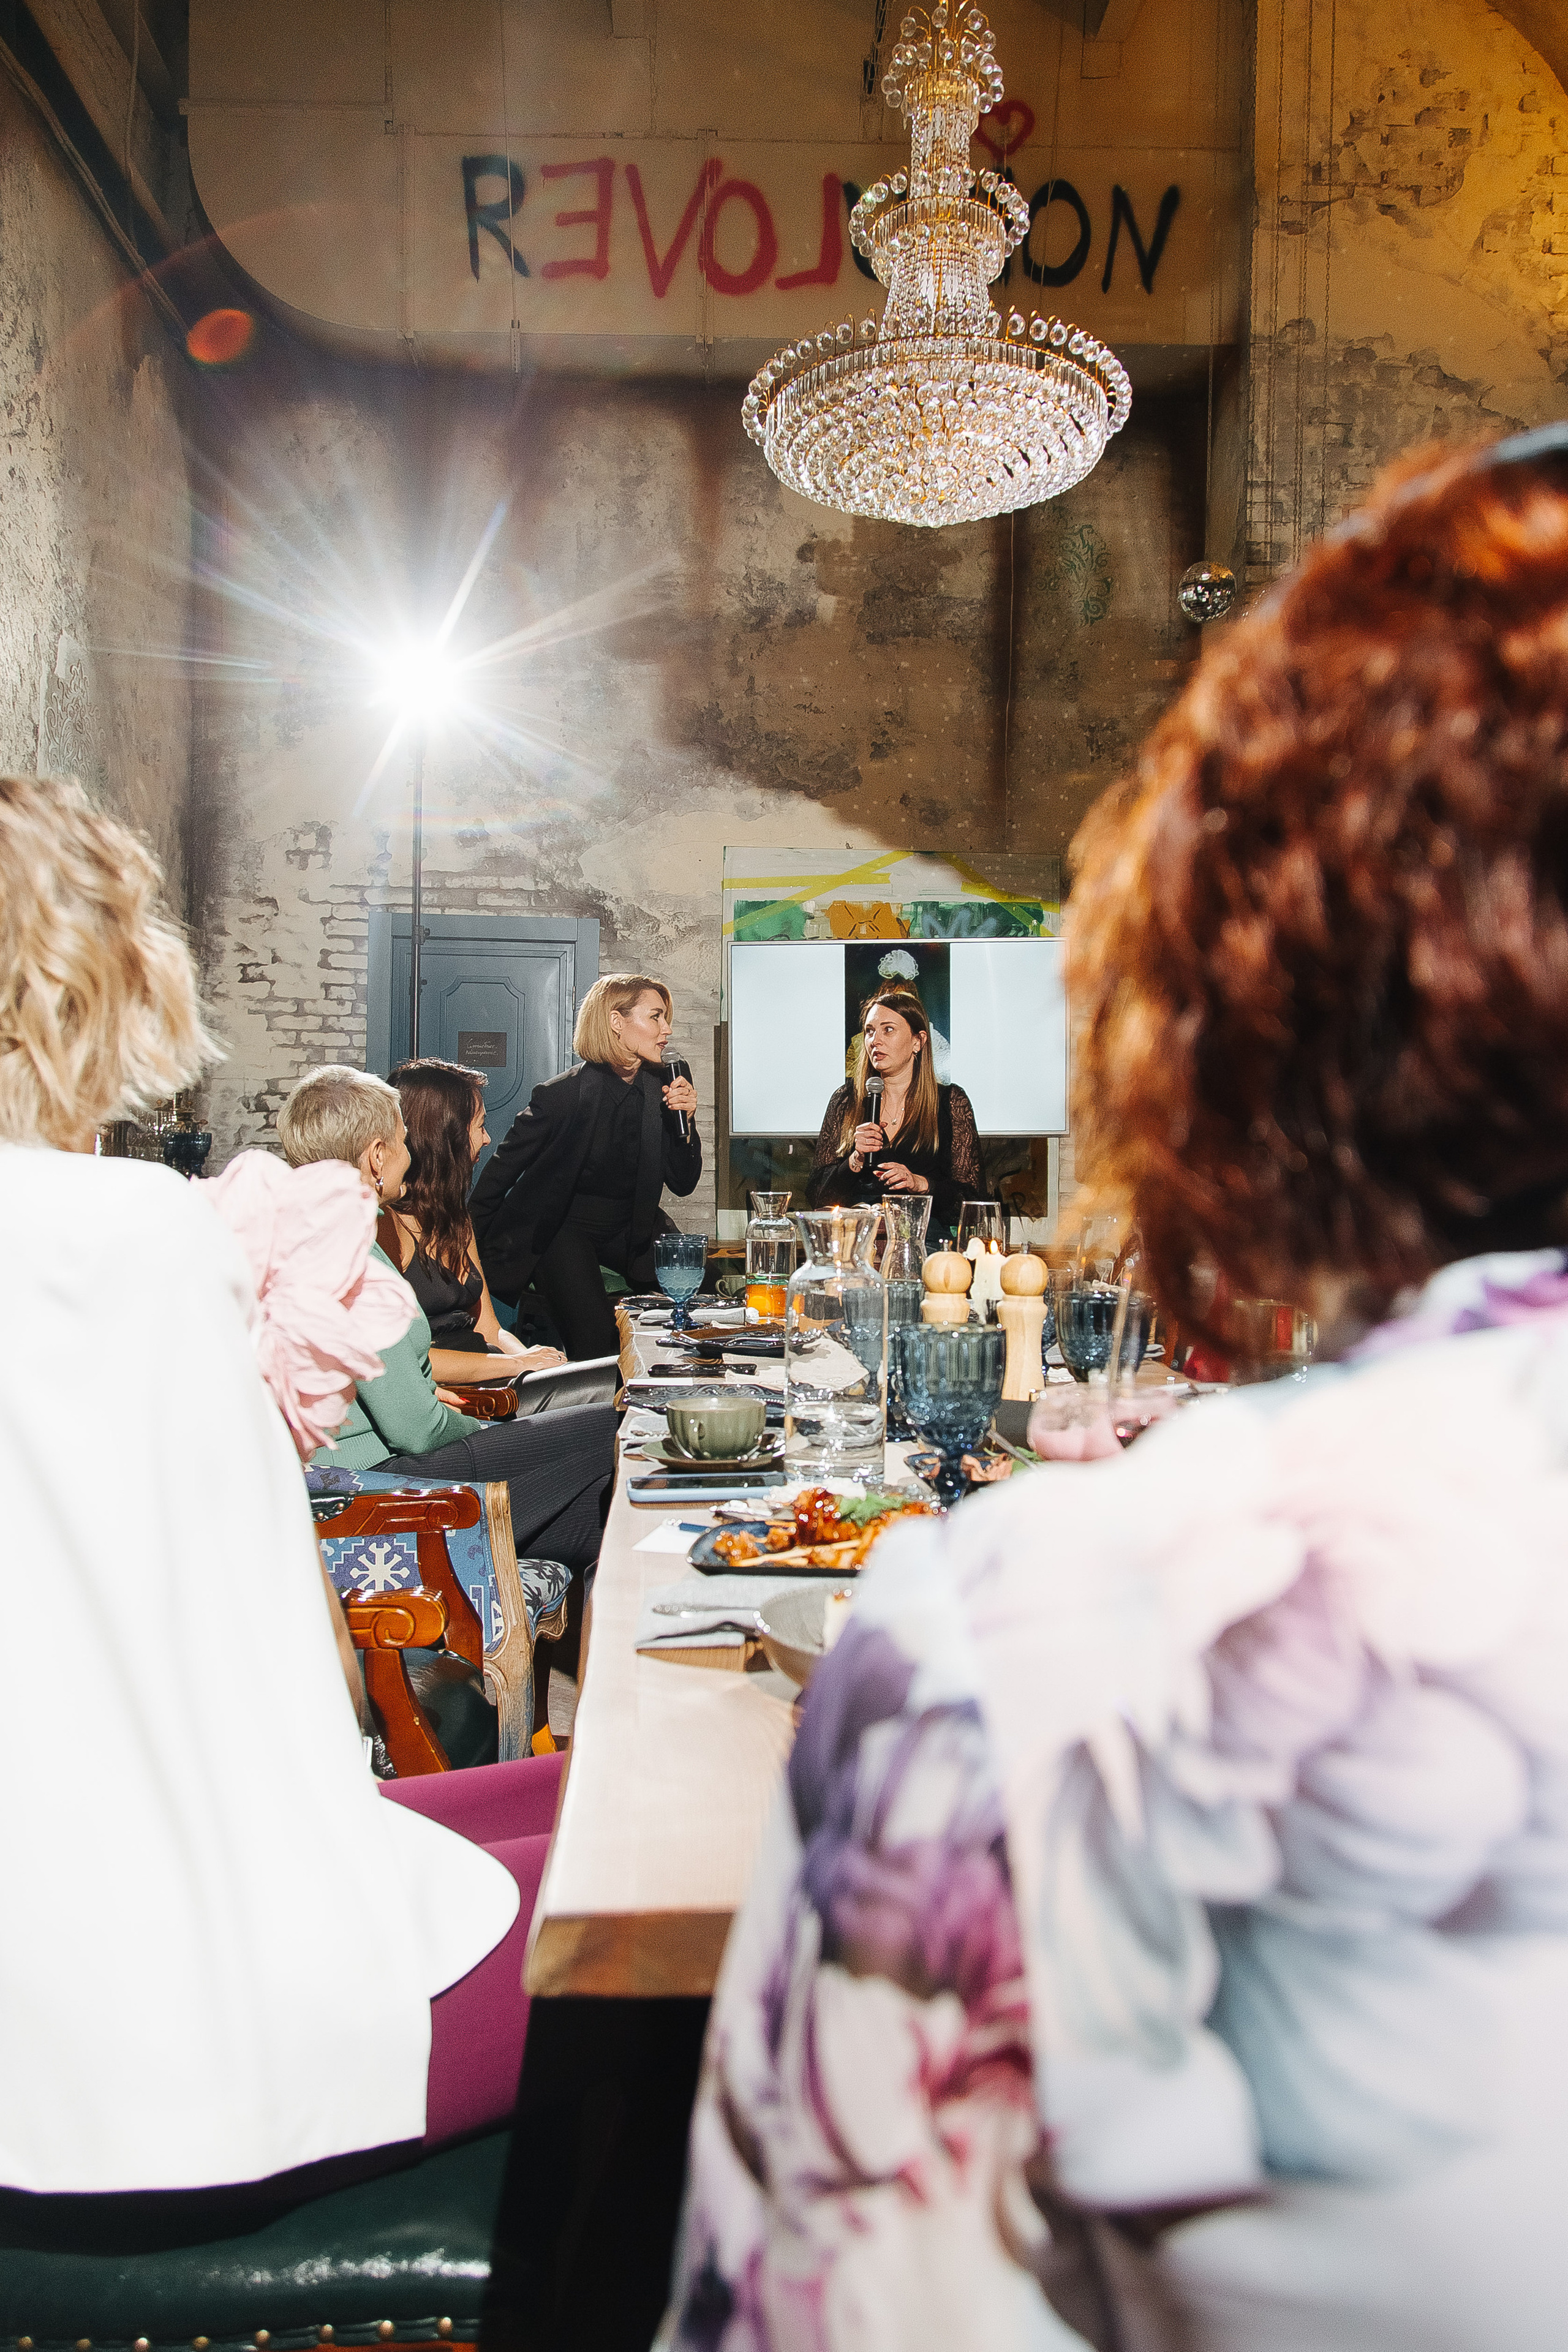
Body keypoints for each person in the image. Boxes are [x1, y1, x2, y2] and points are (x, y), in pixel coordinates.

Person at [665, 429, 1568, 2352]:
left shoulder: (1029, 1640)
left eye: (904, 1018)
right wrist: (858, 1161)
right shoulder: (830, 1104)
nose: (893, 1036)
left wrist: (932, 1168)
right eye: (887, 1019)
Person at [0, 772, 548, 2193]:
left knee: (569, 1799)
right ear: (97, 983)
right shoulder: (126, 1236)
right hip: (160, 2041)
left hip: (57, 1943)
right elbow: (268, 1679)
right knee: (690, 1872)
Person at [278, 1064, 614, 1581]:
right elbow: (416, 1428)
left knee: (601, 1510)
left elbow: (384, 1385)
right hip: (375, 1487)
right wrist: (487, 1427)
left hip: (369, 1473)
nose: (410, 1156)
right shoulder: (349, 1255)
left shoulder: (311, 1231)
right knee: (614, 1423)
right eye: (402, 1141)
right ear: (376, 1157)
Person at [470, 971, 703, 1359]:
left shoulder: (665, 1082)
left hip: (633, 1228)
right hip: (565, 1228)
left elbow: (683, 1183)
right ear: (617, 1022)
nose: (667, 1030)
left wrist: (687, 1122)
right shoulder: (561, 1095)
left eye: (666, 1018)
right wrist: (461, 1248)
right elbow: (499, 1176)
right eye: (656, 1017)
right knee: (596, 1342)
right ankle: (596, 1415)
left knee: (693, 1315)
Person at [383, 1054, 567, 1389]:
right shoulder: (386, 1226)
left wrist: (535, 1368)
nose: (486, 1139)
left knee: (603, 1380)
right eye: (479, 1126)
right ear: (445, 1137)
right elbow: (403, 1361)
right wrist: (516, 1364)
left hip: (492, 1374)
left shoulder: (455, 1218)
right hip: (459, 1394)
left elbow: (490, 1330)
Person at [805, 984, 981, 1228]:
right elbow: (816, 1197)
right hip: (856, 1243)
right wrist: (854, 1161)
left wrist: (920, 1184)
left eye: (888, 1030)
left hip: (921, 1244)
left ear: (917, 1042)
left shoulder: (951, 1102)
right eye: (869, 1031)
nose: (875, 1040)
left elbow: (972, 1203)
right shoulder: (846, 1100)